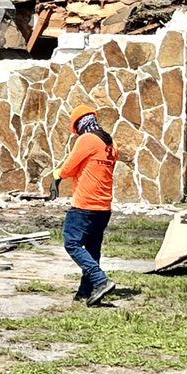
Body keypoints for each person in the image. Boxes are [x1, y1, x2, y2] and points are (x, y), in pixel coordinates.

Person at [50, 103, 119, 306]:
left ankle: (101, 280)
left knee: (71, 242)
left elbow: (70, 167)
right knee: (92, 249)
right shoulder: (111, 144)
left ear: (79, 124)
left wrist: (56, 176)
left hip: (85, 204)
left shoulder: (87, 139)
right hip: (103, 207)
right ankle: (86, 291)